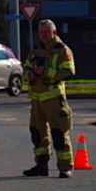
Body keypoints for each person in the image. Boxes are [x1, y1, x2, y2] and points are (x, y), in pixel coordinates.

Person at [22, 19, 76, 178]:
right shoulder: (35, 50)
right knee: (37, 134)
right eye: (40, 32)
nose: (43, 35)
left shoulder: (62, 50)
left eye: (46, 32)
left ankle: (65, 167)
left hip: (54, 100)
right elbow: (25, 68)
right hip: (37, 100)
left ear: (54, 32)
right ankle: (41, 165)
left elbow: (68, 72)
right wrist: (30, 74)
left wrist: (46, 71)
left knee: (59, 133)